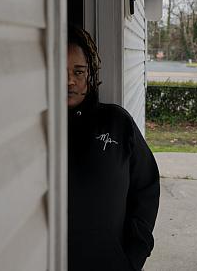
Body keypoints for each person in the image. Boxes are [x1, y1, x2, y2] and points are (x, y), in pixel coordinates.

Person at [67, 26, 160, 271]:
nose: (69, 81)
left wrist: (133, 254)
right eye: (59, 70)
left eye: (78, 71)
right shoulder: (32, 128)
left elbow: (146, 188)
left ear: (90, 74)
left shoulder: (117, 122)